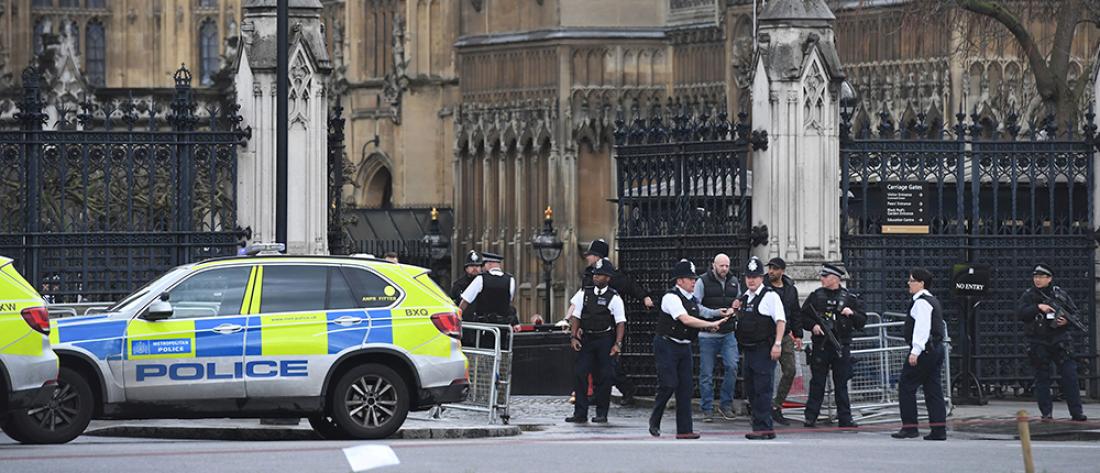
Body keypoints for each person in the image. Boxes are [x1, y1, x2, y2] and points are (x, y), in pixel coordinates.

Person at [649, 259, 729, 439]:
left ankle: (685, 430)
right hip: (667, 344)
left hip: (684, 346)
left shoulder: (692, 299)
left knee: (685, 388)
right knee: (668, 384)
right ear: (679, 281)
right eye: (690, 278)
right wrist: (710, 325)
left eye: (694, 278)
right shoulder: (671, 297)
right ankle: (655, 419)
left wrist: (714, 319)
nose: (694, 281)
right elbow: (685, 319)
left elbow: (699, 315)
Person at [1015, 263, 1087, 423]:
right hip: (1038, 341)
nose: (1037, 280)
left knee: (1070, 376)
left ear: (1049, 278)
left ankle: (1076, 412)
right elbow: (1021, 314)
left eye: (1041, 277)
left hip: (1059, 340)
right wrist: (1038, 307)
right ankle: (1046, 413)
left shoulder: (1059, 294)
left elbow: (1074, 313)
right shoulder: (1029, 295)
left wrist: (1065, 321)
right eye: (1036, 277)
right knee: (1042, 378)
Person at [800, 263, 867, 429]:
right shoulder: (816, 296)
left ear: (835, 279)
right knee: (817, 383)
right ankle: (810, 417)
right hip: (821, 346)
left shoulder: (849, 298)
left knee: (841, 384)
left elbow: (862, 321)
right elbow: (803, 317)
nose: (822, 279)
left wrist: (851, 313)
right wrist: (813, 326)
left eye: (825, 276)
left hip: (841, 346)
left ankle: (845, 418)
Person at [565, 258, 626, 424]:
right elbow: (576, 316)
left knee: (604, 376)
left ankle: (601, 412)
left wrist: (617, 344)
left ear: (608, 278)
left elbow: (620, 322)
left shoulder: (614, 297)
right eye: (595, 274)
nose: (595, 277)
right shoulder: (584, 293)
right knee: (580, 373)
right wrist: (574, 336)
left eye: (600, 275)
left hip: (604, 339)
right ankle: (580, 413)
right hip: (587, 338)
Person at [733, 256, 787, 440]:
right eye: (748, 277)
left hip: (764, 349)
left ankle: (764, 428)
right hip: (749, 349)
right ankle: (760, 426)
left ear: (761, 278)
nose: (751, 280)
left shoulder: (770, 296)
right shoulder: (745, 297)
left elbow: (780, 321)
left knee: (762, 389)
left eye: (755, 277)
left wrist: (777, 344)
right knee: (752, 389)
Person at [892, 268, 948, 441]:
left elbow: (922, 328)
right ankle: (938, 429)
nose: (908, 283)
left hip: (925, 350)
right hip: (935, 348)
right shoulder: (932, 300)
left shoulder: (921, 302)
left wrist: (915, 351)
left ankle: (910, 427)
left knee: (906, 386)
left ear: (921, 283)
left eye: (912, 280)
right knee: (933, 389)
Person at [692, 253, 740, 422]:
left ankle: (725, 404)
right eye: (721, 266)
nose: (725, 269)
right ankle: (707, 408)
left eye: (727, 266)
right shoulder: (702, 281)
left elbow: (739, 301)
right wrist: (715, 313)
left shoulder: (734, 281)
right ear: (713, 265)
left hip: (728, 333)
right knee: (706, 373)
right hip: (707, 334)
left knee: (732, 366)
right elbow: (696, 306)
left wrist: (735, 309)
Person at [765, 257, 801, 425]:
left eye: (775, 268)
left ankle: (776, 406)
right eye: (770, 268)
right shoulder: (763, 287)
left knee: (790, 370)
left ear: (782, 271)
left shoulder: (790, 290)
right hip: (766, 335)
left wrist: (798, 334)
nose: (771, 271)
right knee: (764, 373)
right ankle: (761, 408)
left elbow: (795, 312)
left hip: (785, 334)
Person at [459, 252, 519, 348]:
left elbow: (465, 300)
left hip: (484, 327)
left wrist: (458, 316)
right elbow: (509, 301)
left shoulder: (481, 278)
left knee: (483, 351)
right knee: (500, 350)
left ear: (489, 264)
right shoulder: (510, 280)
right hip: (502, 327)